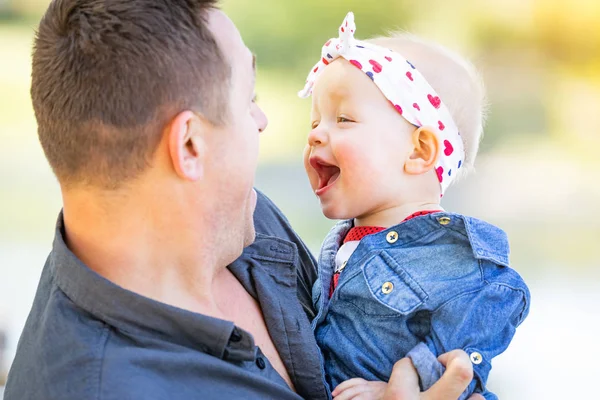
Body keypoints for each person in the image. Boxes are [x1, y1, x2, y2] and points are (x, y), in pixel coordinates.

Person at [5, 1, 481, 399]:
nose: (262, 120)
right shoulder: (106, 386)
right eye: (248, 97)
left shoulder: (245, 219)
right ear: (189, 145)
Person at [299, 12, 530, 400]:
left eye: (343, 118)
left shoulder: (448, 251)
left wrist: (400, 382)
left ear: (419, 151)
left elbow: (500, 299)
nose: (316, 134)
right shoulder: (344, 242)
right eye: (315, 121)